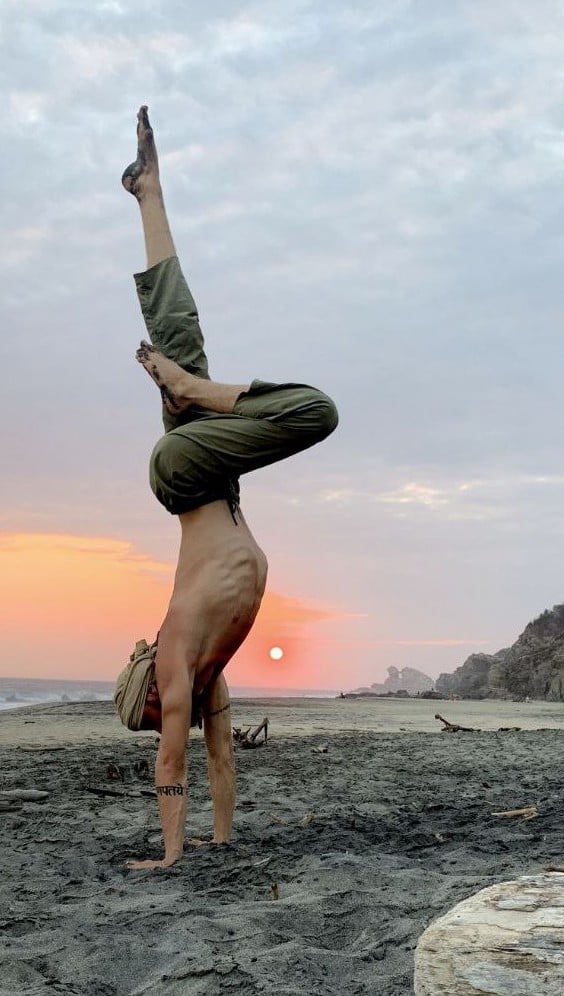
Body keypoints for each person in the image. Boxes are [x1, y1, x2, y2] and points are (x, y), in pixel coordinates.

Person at [114, 106, 338, 869]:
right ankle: (149, 194)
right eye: (154, 717)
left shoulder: (176, 654)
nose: (159, 720)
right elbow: (215, 761)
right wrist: (213, 843)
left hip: (184, 477)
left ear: (148, 687)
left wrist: (165, 854)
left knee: (313, 410)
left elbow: (168, 768)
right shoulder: (208, 671)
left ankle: (189, 388)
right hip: (215, 474)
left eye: (149, 712)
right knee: (183, 337)